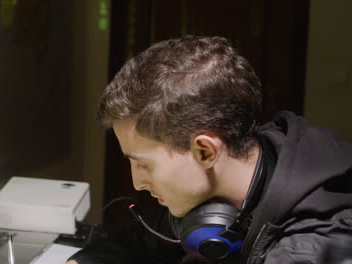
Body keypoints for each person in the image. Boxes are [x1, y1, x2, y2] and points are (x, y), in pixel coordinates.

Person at [66, 36, 352, 264]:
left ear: (205, 151)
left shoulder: (310, 249)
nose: (137, 183)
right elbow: (140, 239)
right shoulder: (256, 161)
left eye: (143, 164)